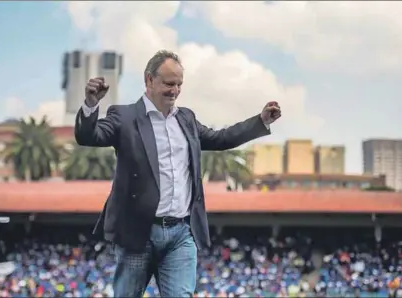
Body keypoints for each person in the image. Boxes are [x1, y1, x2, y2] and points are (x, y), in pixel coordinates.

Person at [74, 50, 282, 297]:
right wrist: (91, 105)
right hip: (138, 234)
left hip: (181, 233)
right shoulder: (125, 116)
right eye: (169, 83)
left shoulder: (186, 118)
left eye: (179, 84)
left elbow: (221, 138)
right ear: (149, 80)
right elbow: (90, 136)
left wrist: (260, 121)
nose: (174, 90)